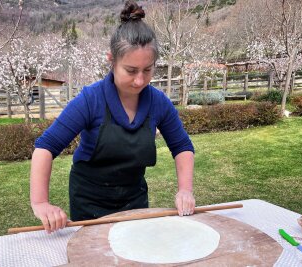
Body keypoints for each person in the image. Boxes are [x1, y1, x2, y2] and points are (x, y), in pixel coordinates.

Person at [30, 0, 195, 233]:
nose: (140, 80)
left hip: (134, 201)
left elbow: (182, 147)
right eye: (130, 70)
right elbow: (45, 147)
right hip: (89, 203)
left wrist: (185, 190)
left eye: (147, 70)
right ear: (112, 60)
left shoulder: (159, 103)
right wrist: (40, 203)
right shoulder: (90, 100)